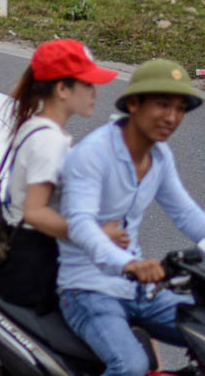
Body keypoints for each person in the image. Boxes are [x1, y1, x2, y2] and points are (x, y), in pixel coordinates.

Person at [58, 59, 205, 376]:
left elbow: (187, 214)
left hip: (138, 289)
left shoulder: (159, 155)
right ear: (134, 104)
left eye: (180, 108)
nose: (172, 117)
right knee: (130, 366)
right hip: (87, 290)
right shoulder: (93, 154)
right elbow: (80, 224)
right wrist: (127, 263)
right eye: (163, 105)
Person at [0, 39, 121, 313]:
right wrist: (96, 234)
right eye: (88, 84)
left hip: (20, 254)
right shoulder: (50, 142)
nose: (95, 93)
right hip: (33, 267)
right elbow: (35, 213)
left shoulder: (34, 126)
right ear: (62, 89)